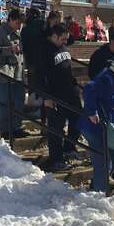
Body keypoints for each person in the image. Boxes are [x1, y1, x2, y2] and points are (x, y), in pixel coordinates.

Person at [81, 56, 114, 193]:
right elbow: (88, 89)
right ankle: (100, 191)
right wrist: (92, 112)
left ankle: (99, 184)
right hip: (95, 126)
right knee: (102, 160)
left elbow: (111, 103)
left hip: (108, 126)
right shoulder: (107, 79)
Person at [39, 24, 81, 172]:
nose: (65, 42)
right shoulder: (44, 51)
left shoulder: (63, 47)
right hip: (55, 95)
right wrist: (46, 96)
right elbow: (40, 76)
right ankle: (56, 159)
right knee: (56, 128)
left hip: (70, 92)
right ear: (54, 36)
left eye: (66, 39)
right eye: (63, 39)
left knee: (78, 120)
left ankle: (69, 147)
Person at [0, 9, 28, 140]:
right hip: (3, 73)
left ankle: (16, 127)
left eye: (21, 24)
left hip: (17, 73)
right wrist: (9, 49)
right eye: (17, 23)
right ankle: (5, 130)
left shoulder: (19, 32)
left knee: (19, 101)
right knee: (4, 103)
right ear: (10, 20)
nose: (19, 26)